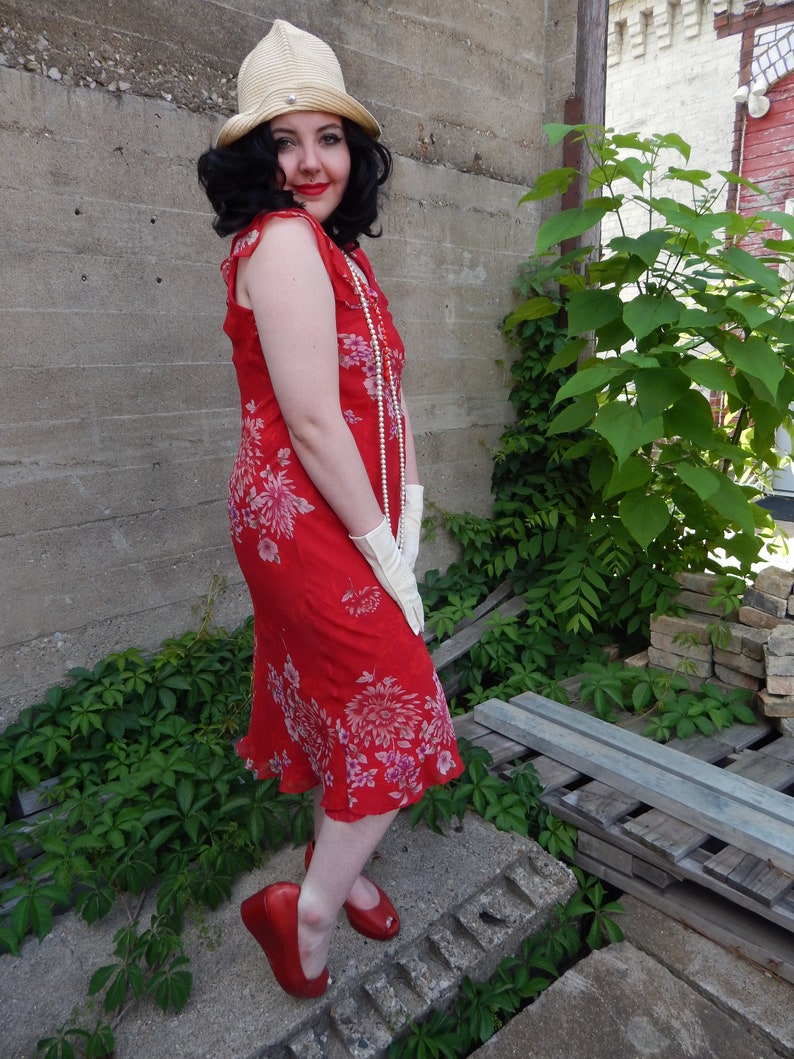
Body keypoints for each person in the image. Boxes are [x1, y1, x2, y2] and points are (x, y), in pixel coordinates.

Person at [197, 19, 464, 999]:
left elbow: (378, 404)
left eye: (330, 137)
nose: (311, 161)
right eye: (284, 140)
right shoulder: (276, 241)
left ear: (358, 152)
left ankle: (333, 875)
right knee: (396, 711)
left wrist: (410, 508)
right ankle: (302, 915)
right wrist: (385, 556)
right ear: (253, 160)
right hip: (305, 517)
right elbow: (313, 422)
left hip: (335, 512)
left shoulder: (331, 250)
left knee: (340, 703)